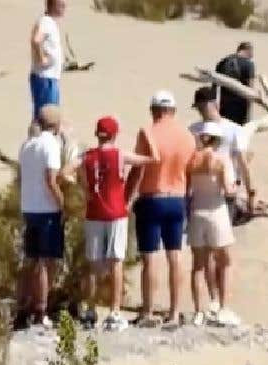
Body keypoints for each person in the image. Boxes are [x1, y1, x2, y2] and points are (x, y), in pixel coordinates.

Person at [127, 90, 196, 326]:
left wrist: (128, 197)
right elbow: (190, 170)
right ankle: (174, 312)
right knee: (175, 256)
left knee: (149, 258)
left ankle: (148, 311)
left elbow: (138, 168)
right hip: (177, 197)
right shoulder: (187, 135)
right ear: (173, 111)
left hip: (152, 196)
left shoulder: (148, 133)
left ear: (154, 110)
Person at [80, 114, 155, 331]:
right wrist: (148, 139)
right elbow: (151, 159)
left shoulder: (87, 157)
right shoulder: (120, 155)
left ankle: (90, 309)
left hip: (94, 213)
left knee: (93, 264)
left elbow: (67, 172)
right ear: (114, 135)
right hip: (115, 213)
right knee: (116, 262)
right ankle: (114, 311)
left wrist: (85, 189)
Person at [16, 103, 70, 329]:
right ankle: (41, 309)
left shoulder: (28, 145)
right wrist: (62, 203)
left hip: (29, 207)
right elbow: (51, 179)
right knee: (45, 262)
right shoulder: (50, 146)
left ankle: (25, 307)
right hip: (46, 209)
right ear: (56, 125)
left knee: (32, 259)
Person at [185, 127, 240, 327]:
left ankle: (199, 311)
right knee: (225, 261)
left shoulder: (192, 160)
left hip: (197, 211)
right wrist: (236, 186)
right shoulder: (220, 160)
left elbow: (188, 189)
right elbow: (228, 189)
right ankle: (224, 307)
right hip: (216, 211)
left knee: (198, 265)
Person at [189, 85, 256, 220]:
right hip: (199, 192)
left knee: (223, 234)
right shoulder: (192, 129)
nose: (200, 110)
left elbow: (243, 164)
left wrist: (251, 193)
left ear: (216, 105)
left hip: (226, 191)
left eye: (203, 106)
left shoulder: (234, 129)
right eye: (198, 107)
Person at [28, 0, 75, 124]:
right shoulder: (46, 22)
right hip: (45, 78)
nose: (64, 8)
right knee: (47, 116)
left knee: (49, 115)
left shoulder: (50, 23)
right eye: (61, 5)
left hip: (49, 77)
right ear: (52, 6)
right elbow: (36, 40)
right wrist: (42, 58)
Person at [212, 40, 268, 126]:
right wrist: (249, 115)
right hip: (240, 109)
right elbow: (250, 90)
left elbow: (214, 86)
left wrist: (214, 107)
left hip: (223, 106)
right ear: (249, 50)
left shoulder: (223, 62)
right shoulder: (249, 64)